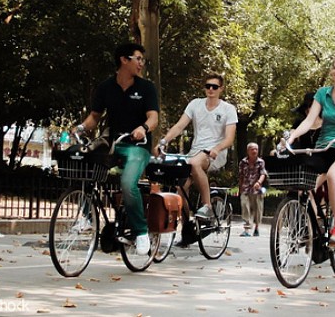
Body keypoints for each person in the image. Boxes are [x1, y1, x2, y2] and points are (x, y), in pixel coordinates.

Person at [77, 43, 159, 255]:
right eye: (138, 59)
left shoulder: (146, 88)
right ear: (124, 60)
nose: (141, 63)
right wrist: (80, 128)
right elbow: (95, 117)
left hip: (137, 147)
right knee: (82, 165)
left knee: (127, 183)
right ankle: (88, 217)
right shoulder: (105, 88)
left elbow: (154, 117)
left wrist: (143, 128)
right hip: (112, 145)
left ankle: (141, 233)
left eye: (142, 59)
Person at [287, 55, 335, 246]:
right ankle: (314, 229)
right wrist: (291, 137)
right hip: (323, 149)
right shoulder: (323, 94)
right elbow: (308, 121)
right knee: (303, 186)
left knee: (333, 176)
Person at [157, 72, 238, 224]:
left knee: (195, 163)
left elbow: (229, 139)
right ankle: (188, 228)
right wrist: (163, 141)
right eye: (208, 86)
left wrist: (217, 148)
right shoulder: (195, 104)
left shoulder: (228, 109)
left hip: (215, 153)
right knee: (180, 189)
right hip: (195, 152)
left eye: (214, 86)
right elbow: (180, 126)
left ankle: (206, 205)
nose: (211, 89)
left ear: (221, 89)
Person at [238, 142, 267, 237]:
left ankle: (257, 228)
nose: (254, 151)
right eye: (252, 149)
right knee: (245, 207)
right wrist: (240, 188)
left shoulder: (261, 162)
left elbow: (263, 174)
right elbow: (241, 176)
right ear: (248, 151)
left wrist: (259, 182)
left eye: (256, 149)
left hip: (257, 190)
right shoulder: (242, 162)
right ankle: (246, 229)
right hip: (245, 189)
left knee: (258, 209)